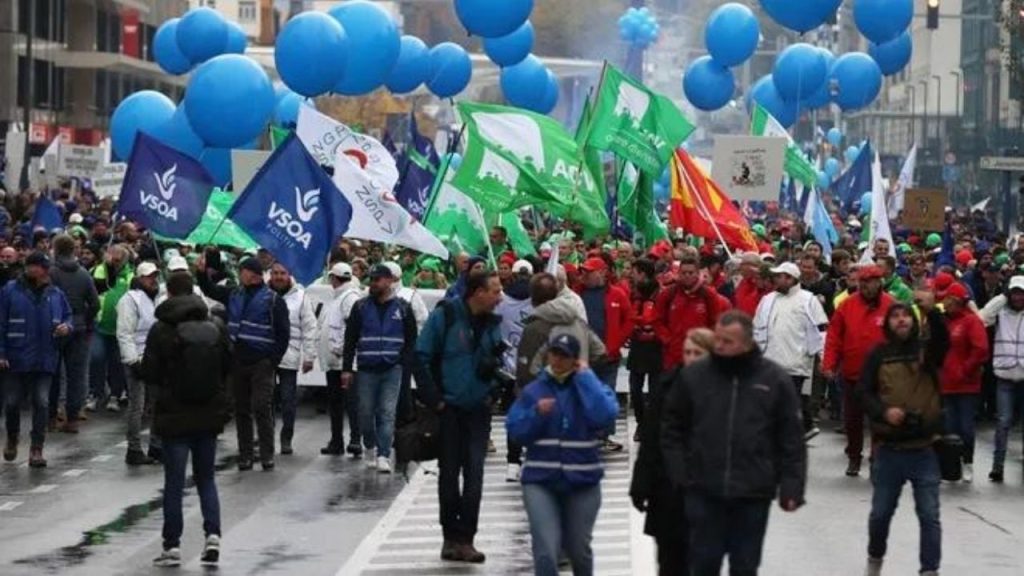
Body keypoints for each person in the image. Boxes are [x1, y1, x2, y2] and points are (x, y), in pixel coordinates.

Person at [661, 311, 806, 576]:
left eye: (728, 341)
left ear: (747, 343)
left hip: (753, 491)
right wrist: (680, 473)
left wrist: (792, 486)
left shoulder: (773, 380)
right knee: (704, 564)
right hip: (704, 489)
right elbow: (672, 428)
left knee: (745, 566)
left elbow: (791, 437)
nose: (719, 346)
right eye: (718, 339)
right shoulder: (696, 377)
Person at [506, 333, 619, 576]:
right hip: (540, 480)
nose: (557, 360)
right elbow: (515, 429)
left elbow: (605, 415)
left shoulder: (587, 387)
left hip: (583, 481)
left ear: (575, 360)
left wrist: (586, 379)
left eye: (564, 356)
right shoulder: (536, 390)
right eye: (554, 353)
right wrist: (536, 413)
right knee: (546, 548)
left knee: (579, 549)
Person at [415, 270, 504, 563]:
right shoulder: (447, 315)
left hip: (478, 410)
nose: (499, 295)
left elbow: (497, 363)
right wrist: (435, 400)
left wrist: (492, 392)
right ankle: (450, 537)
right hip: (449, 410)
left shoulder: (493, 323)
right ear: (476, 292)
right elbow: (420, 356)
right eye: (494, 290)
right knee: (449, 476)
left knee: (475, 476)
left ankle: (466, 537)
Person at [144, 272, 232, 568]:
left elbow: (151, 373)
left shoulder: (161, 330)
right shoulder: (216, 326)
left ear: (169, 293)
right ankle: (213, 536)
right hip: (208, 414)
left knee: (174, 483)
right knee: (206, 478)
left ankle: (172, 546)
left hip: (174, 415)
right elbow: (227, 367)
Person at [858, 303, 945, 576]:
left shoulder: (926, 352)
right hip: (890, 449)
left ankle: (929, 570)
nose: (901, 320)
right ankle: (874, 561)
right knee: (880, 515)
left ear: (914, 320)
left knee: (929, 516)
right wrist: (884, 412)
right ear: (888, 323)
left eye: (906, 315)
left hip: (924, 449)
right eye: (895, 316)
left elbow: (943, 341)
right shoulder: (878, 355)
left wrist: (932, 311)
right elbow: (862, 392)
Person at [631, 327, 714, 576]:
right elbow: (650, 441)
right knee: (669, 561)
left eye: (698, 353)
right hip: (667, 490)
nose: (691, 358)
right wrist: (640, 485)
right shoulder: (666, 386)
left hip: (707, 492)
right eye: (687, 352)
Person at [512, 273, 606, 482]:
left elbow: (526, 369)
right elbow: (600, 351)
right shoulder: (577, 321)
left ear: (533, 298)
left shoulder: (534, 328)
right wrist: (582, 369)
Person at [342, 264, 417, 474]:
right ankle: (369, 445)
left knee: (387, 412)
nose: (373, 284)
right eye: (371, 280)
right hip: (366, 369)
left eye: (377, 280)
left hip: (392, 369)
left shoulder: (403, 308)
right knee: (365, 412)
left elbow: (411, 340)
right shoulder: (360, 307)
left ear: (389, 281)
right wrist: (347, 369)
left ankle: (383, 454)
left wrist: (403, 362)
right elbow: (350, 339)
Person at [0, 252, 72, 467]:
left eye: (36, 266)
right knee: (12, 403)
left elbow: (68, 316)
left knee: (41, 402)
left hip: (44, 358)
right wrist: (1, 352)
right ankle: (12, 437)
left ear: (45, 269)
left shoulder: (56, 294)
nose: (32, 270)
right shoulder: (10, 290)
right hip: (15, 358)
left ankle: (36, 448)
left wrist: (65, 327)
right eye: (29, 266)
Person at [823, 265, 895, 477]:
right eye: (862, 282)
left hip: (883, 377)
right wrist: (829, 364)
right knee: (852, 420)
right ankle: (854, 456)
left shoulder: (892, 306)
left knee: (879, 420)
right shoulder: (846, 306)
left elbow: (902, 337)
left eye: (869, 282)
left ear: (879, 282)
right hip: (853, 374)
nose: (865, 286)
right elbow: (834, 337)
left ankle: (877, 457)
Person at [753, 262, 829, 440]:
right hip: (769, 361)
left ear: (790, 278)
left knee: (789, 400)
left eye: (779, 276)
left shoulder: (809, 300)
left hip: (796, 361)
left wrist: (824, 358)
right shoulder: (767, 300)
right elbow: (756, 328)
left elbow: (821, 330)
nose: (776, 280)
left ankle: (793, 434)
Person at [227, 257, 290, 471]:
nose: (239, 274)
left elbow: (283, 333)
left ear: (252, 274)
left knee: (261, 407)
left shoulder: (272, 299)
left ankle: (266, 454)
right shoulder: (235, 294)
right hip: (238, 360)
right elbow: (211, 291)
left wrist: (273, 360)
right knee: (241, 409)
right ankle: (245, 454)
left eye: (241, 271)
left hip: (262, 362)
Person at [577, 256, 633, 452]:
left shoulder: (617, 294)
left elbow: (629, 319)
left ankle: (604, 435)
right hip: (583, 357)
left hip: (608, 357)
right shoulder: (577, 294)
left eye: (589, 271)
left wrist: (615, 344)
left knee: (606, 394)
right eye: (583, 271)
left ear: (602, 272)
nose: (584, 275)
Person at [937, 281, 989, 482]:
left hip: (967, 383)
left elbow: (980, 349)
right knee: (949, 427)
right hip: (947, 382)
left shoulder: (971, 322)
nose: (944, 304)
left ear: (956, 301)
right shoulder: (944, 322)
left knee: (966, 427)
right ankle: (951, 466)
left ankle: (968, 462)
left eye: (947, 300)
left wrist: (966, 369)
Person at [48, 234, 99, 433]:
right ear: (73, 250)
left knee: (52, 373)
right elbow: (94, 304)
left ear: (56, 250)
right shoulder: (84, 274)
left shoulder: (51, 273)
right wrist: (84, 321)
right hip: (78, 328)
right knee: (76, 376)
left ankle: (51, 418)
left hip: (55, 327)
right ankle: (72, 420)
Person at [268, 262, 318, 456]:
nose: (278, 277)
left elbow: (310, 327)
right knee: (266, 400)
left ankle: (286, 437)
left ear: (289, 275)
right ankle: (266, 437)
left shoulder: (301, 297)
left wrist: (309, 356)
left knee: (288, 400)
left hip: (289, 356)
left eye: (282, 273)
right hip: (266, 356)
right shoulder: (265, 295)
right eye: (275, 273)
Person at [116, 262, 162, 466]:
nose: (153, 279)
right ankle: (133, 448)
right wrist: (133, 361)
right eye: (149, 276)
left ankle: (156, 445)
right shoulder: (130, 300)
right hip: (137, 358)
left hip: (155, 357)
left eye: (155, 275)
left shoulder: (159, 298)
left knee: (157, 403)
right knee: (138, 405)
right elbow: (125, 333)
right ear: (140, 278)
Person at [979, 275, 1024, 482]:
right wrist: (1002, 299)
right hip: (1004, 376)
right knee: (1003, 422)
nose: (1018, 297)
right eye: (1014, 293)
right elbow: (983, 316)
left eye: (1021, 293)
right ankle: (998, 466)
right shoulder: (1001, 313)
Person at [655, 254, 732, 370]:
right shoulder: (668, 294)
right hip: (673, 357)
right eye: (684, 273)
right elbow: (657, 320)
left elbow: (715, 322)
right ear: (679, 273)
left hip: (699, 355)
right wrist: (668, 340)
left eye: (691, 273)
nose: (687, 276)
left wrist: (704, 341)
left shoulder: (709, 295)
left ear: (697, 273)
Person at [320, 263, 364, 457]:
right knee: (337, 403)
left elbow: (353, 328)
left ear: (333, 278)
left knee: (350, 403)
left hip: (344, 362)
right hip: (335, 361)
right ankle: (337, 441)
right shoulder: (340, 297)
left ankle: (355, 440)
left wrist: (342, 350)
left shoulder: (349, 298)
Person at [89, 244, 132, 412]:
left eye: (118, 259)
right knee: (96, 358)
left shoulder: (130, 275)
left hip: (120, 327)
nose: (114, 261)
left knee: (116, 363)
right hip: (99, 325)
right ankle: (95, 393)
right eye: (111, 257)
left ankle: (115, 394)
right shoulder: (98, 270)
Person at [627, 258, 662, 442]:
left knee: (655, 391)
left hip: (656, 348)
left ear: (642, 273)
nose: (631, 275)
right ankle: (641, 422)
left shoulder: (661, 294)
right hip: (638, 347)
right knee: (635, 389)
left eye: (634, 272)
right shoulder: (633, 293)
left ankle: (652, 424)